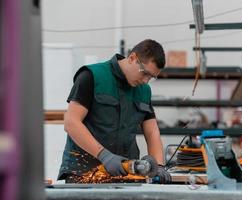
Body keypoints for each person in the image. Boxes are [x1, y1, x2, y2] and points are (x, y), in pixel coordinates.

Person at [58, 39, 171, 184]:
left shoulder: (144, 91)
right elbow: (71, 123)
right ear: (132, 58)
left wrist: (159, 166)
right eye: (145, 73)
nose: (145, 81)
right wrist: (104, 155)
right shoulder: (92, 76)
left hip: (125, 174)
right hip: (85, 174)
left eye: (151, 77)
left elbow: (152, 132)